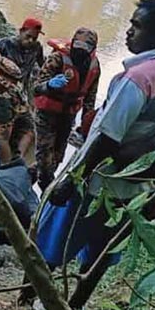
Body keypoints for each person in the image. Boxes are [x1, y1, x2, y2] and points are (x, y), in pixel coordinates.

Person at [35, 0, 155, 274]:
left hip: (95, 183)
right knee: (98, 257)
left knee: (47, 250)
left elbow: (107, 138)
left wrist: (70, 181)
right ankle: (77, 297)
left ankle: (28, 295)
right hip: (133, 186)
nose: (128, 31)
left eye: (137, 26)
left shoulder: (137, 79)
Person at [32, 28, 100, 190]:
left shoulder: (94, 66)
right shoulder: (58, 58)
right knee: (44, 153)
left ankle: (33, 178)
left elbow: (90, 98)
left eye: (86, 47)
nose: (80, 50)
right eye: (77, 45)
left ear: (92, 49)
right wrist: (49, 85)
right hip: (48, 112)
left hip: (69, 114)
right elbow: (36, 87)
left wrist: (86, 126)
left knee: (58, 155)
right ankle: (46, 186)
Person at [0, 17, 46, 96]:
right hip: (2, 84)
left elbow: (42, 65)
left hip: (22, 87)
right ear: (21, 31)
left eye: (34, 38)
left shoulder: (37, 47)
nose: (31, 40)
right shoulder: (5, 44)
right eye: (28, 36)